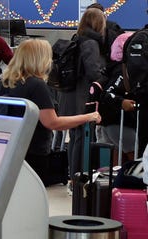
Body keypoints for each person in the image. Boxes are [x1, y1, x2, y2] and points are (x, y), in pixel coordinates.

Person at [0, 39, 102, 184]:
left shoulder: (5, 81)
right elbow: (52, 122)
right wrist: (88, 117)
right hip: (33, 150)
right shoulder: (36, 85)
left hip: (9, 147)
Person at [60, 8, 109, 177]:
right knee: (81, 136)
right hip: (82, 97)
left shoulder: (77, 38)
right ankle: (78, 177)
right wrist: (105, 76)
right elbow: (93, 72)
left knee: (74, 137)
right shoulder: (91, 43)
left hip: (69, 96)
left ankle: (72, 175)